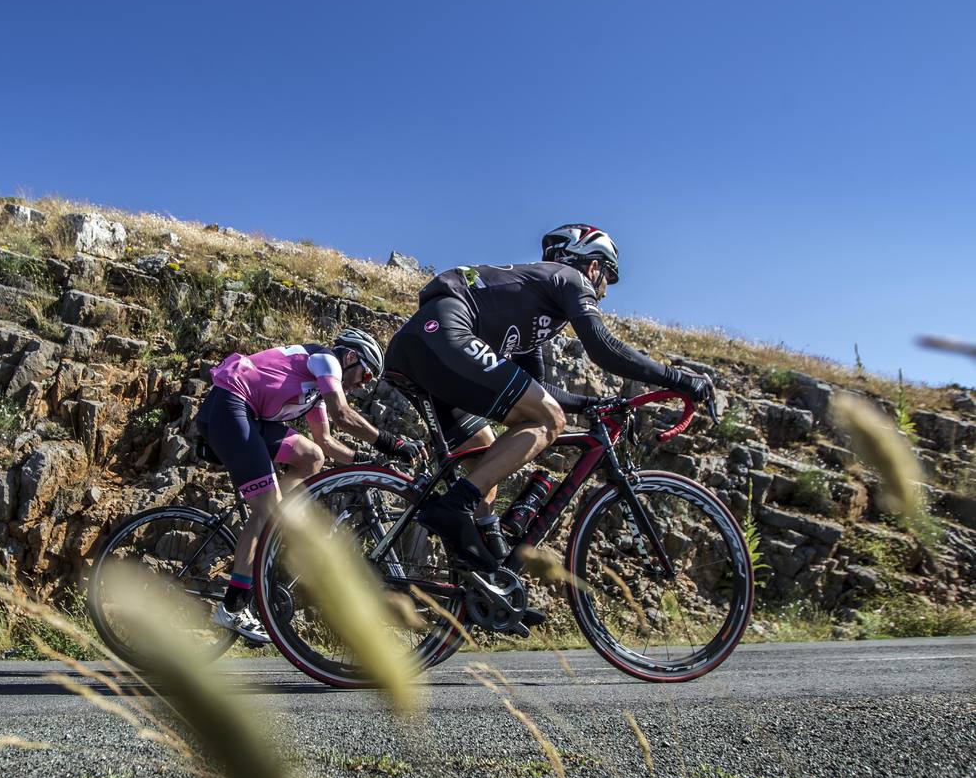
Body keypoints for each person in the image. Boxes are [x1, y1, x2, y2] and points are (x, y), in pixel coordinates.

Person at [384, 223, 713, 571]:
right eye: (607, 278)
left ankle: (480, 572)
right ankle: (453, 508)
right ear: (593, 266)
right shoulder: (570, 279)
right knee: (549, 420)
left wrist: (588, 405)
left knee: (484, 463)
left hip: (420, 348)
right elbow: (604, 348)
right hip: (445, 332)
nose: (604, 291)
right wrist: (677, 379)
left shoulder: (537, 306)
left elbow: (535, 389)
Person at [196, 329, 426, 641]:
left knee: (311, 457)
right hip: (230, 406)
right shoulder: (325, 359)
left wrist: (366, 461)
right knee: (269, 511)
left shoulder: (316, 390)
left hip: (249, 416)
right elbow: (342, 414)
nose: (364, 384)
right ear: (349, 357)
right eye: (366, 373)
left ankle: (273, 517)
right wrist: (392, 444)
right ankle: (233, 607)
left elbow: (327, 442)